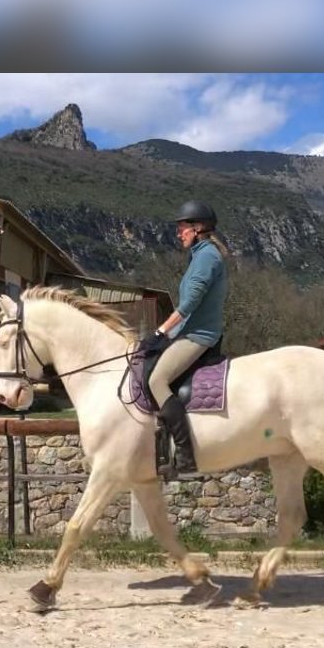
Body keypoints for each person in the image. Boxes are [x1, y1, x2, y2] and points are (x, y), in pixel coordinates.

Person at [137, 199, 231, 477]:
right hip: (189, 331)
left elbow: (189, 303)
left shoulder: (207, 256)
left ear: (198, 227)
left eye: (183, 228)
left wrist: (161, 331)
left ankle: (186, 458)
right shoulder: (200, 255)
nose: (179, 233)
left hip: (199, 335)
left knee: (157, 380)